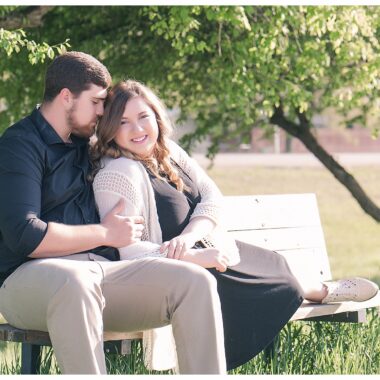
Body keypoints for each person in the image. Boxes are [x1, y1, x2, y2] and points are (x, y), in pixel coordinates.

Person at [91, 80, 379, 371]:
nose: (137, 130)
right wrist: (193, 258)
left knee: (277, 264)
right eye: (123, 122)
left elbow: (212, 196)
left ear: (156, 117)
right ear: (110, 130)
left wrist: (191, 237)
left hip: (210, 248)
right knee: (281, 285)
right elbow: (129, 253)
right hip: (180, 276)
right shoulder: (117, 173)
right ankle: (319, 291)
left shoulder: (168, 152)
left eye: (143, 117)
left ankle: (318, 289)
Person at [0, 52, 228, 374]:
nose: (101, 111)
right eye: (95, 102)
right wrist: (105, 233)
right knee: (75, 282)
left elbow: (144, 146)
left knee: (194, 282)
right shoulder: (20, 145)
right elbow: (25, 235)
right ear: (66, 97)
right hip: (27, 280)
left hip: (101, 272)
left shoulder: (88, 144)